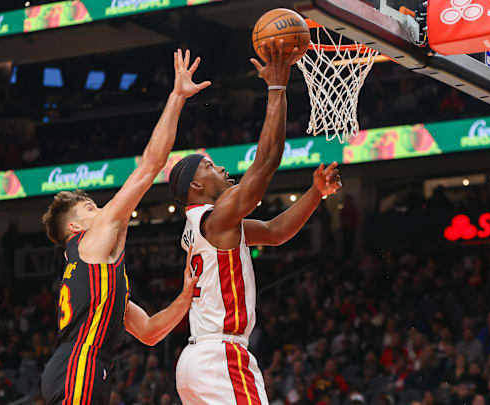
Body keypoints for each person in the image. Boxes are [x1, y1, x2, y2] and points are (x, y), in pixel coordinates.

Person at [169, 39, 342, 405]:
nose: (221, 168)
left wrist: (315, 194)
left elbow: (276, 232)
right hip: (221, 356)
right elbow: (265, 165)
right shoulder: (217, 218)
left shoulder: (210, 225)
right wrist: (277, 88)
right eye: (210, 166)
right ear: (196, 185)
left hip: (195, 360)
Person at [39, 49, 210, 405]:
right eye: (90, 207)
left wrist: (185, 294)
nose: (101, 209)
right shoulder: (92, 241)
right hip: (79, 366)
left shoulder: (98, 276)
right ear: (75, 226)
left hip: (83, 367)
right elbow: (151, 165)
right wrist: (177, 97)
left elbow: (148, 332)